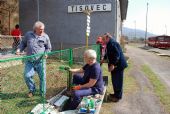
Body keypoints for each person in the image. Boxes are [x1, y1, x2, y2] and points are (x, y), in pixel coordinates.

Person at [16, 21, 52, 97]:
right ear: (35, 29)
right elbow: (23, 43)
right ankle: (32, 90)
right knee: (27, 76)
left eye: (43, 29)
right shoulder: (28, 34)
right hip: (30, 61)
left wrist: (46, 53)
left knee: (42, 77)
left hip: (40, 61)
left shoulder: (45, 36)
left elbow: (48, 48)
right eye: (40, 29)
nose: (42, 31)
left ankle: (42, 93)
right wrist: (19, 49)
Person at [101, 32, 127, 102]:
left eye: (103, 39)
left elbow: (117, 55)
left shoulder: (113, 43)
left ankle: (117, 97)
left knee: (117, 81)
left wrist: (112, 65)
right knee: (114, 81)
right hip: (116, 65)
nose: (102, 41)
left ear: (108, 38)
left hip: (118, 66)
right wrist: (104, 59)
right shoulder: (109, 43)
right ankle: (116, 94)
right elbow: (108, 53)